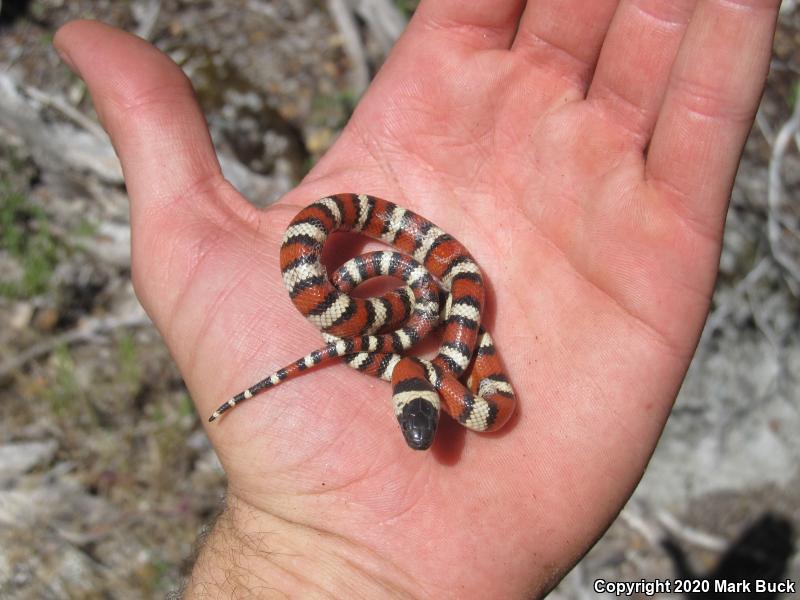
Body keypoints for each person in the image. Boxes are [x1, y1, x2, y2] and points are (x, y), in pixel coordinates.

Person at [53, 2, 781, 597]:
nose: (436, 424)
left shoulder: (451, 368)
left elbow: (445, 359)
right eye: (424, 405)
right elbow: (451, 363)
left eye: (420, 405)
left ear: (416, 390)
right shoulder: (458, 374)